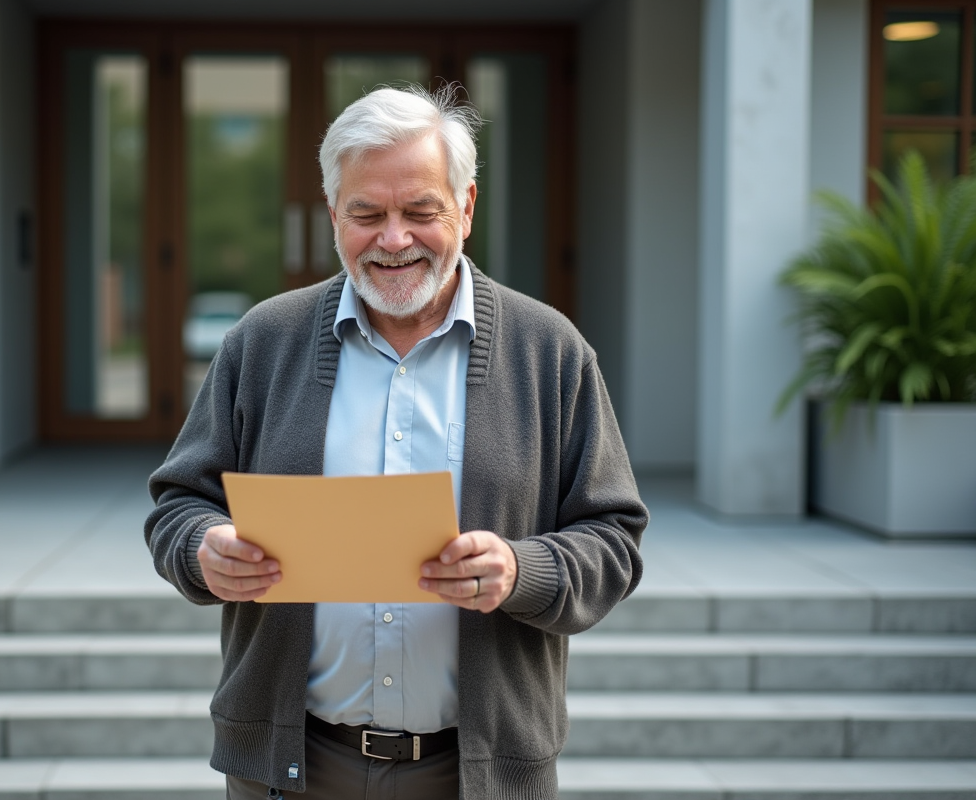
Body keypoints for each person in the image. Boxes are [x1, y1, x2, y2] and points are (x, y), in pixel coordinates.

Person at [145, 83, 647, 800]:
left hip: (475, 776)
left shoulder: (551, 352)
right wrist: (203, 551)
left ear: (466, 209)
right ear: (333, 216)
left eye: (421, 211)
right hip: (293, 770)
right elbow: (176, 506)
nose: (393, 239)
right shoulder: (262, 342)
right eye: (367, 214)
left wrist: (520, 568)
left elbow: (615, 538)